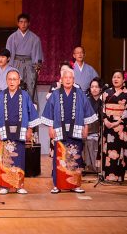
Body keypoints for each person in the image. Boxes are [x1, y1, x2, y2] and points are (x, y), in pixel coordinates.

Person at [41, 65, 98, 194]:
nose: (67, 80)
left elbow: (86, 111)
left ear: (74, 79)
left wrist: (86, 127)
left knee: (76, 157)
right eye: (65, 77)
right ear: (61, 79)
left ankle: (76, 184)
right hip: (59, 129)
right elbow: (49, 112)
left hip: (77, 128)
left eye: (70, 77)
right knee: (59, 157)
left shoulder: (80, 93)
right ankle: (57, 185)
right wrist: (50, 128)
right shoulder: (55, 94)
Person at [0, 69, 40, 194]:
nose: (12, 82)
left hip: (20, 131)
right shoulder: (0, 96)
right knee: (4, 158)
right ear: (6, 81)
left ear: (19, 81)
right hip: (3, 132)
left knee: (19, 158)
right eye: (10, 79)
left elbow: (31, 114)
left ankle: (19, 185)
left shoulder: (25, 96)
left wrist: (30, 130)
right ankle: (4, 185)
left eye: (14, 79)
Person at [102, 70, 127, 182]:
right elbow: (101, 108)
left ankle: (118, 176)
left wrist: (118, 122)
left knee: (118, 152)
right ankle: (106, 176)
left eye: (118, 77)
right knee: (107, 150)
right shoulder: (106, 93)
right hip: (107, 126)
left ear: (123, 80)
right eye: (114, 77)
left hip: (120, 127)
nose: (115, 79)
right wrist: (105, 119)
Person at [6, 13, 43, 104]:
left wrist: (37, 67)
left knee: (31, 86)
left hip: (30, 64)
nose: (23, 24)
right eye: (21, 22)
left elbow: (37, 55)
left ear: (29, 23)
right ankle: (14, 106)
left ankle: (31, 108)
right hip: (16, 63)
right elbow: (8, 54)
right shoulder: (12, 38)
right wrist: (9, 67)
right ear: (18, 23)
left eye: (25, 22)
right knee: (15, 85)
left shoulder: (35, 38)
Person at [84, 77, 103, 173]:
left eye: (96, 87)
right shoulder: (86, 100)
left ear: (100, 88)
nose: (94, 89)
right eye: (92, 87)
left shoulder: (103, 100)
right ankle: (89, 166)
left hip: (100, 129)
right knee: (88, 146)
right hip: (89, 129)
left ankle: (98, 168)